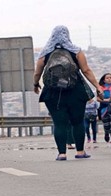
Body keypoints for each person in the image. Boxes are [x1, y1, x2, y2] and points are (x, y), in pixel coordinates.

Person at [33, 25, 103, 160]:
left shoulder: (45, 53)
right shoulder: (76, 51)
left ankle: (62, 153)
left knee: (59, 123)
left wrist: (36, 85)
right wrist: (97, 86)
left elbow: (38, 72)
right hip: (75, 91)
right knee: (77, 122)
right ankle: (80, 152)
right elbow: (86, 70)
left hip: (53, 93)